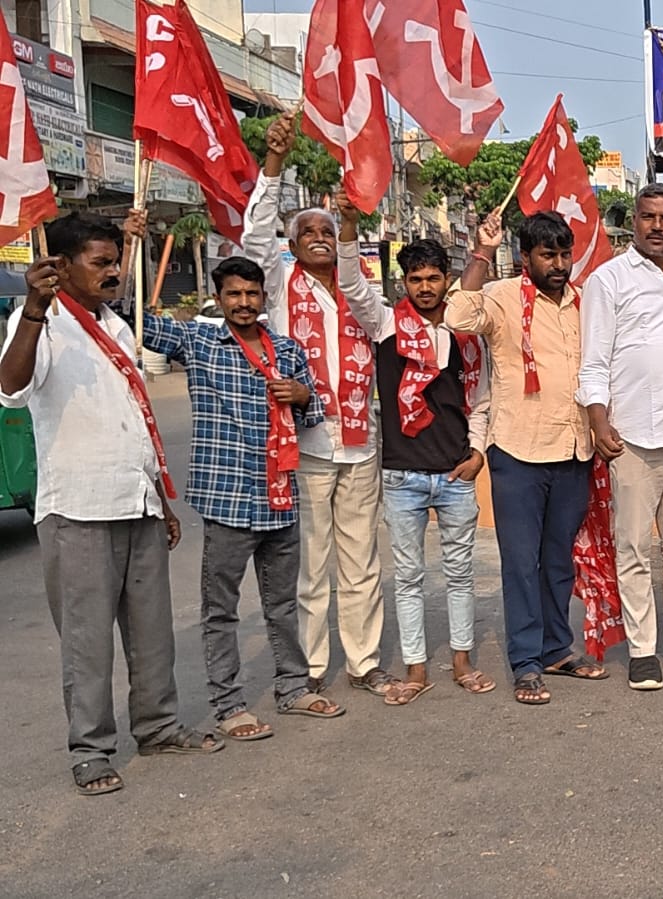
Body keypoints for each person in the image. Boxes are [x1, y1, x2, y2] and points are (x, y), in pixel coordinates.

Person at [1, 212, 222, 796]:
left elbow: (133, 418)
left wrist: (160, 500)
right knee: (87, 640)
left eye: (116, 261)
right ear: (62, 266)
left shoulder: (118, 326)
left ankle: (158, 726)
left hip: (136, 501)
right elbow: (10, 389)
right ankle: (90, 749)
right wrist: (33, 309)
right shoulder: (41, 323)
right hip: (78, 507)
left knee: (153, 634)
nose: (115, 272)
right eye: (100, 262)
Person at [143, 255, 346, 741]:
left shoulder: (287, 350)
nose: (243, 302)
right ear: (218, 298)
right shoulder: (199, 342)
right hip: (228, 499)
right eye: (233, 294)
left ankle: (293, 688)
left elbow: (314, 411)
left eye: (252, 293)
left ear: (264, 297)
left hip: (280, 496)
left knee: (282, 605)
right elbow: (140, 326)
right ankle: (229, 705)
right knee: (221, 610)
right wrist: (135, 254)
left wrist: (301, 396)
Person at [247, 115, 395, 699]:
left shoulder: (362, 296)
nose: (318, 237)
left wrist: (351, 229)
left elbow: (364, 300)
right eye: (307, 231)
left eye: (327, 231)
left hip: (359, 445)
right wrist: (274, 166)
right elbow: (255, 240)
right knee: (311, 565)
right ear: (291, 245)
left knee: (362, 562)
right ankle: (310, 666)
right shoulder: (281, 289)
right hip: (305, 443)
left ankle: (363, 662)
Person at [333, 197, 496, 705]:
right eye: (415, 279)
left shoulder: (465, 334)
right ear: (404, 282)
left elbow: (481, 400)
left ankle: (462, 662)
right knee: (407, 578)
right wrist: (348, 226)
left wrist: (477, 453)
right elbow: (351, 284)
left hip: (455, 474)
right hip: (402, 475)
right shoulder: (385, 325)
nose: (425, 288)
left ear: (447, 279)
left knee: (460, 574)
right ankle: (416, 669)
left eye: (433, 278)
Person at [448, 210, 610, 704]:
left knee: (558, 559)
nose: (559, 265)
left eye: (564, 254)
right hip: (517, 451)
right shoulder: (501, 297)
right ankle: (526, 662)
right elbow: (458, 316)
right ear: (525, 257)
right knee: (521, 562)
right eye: (547, 255)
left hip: (573, 449)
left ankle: (556, 648)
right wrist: (481, 251)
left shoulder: (584, 303)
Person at [578, 183, 663, 691]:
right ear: (633, 221)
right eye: (648, 216)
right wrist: (598, 421)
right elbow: (594, 360)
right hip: (633, 434)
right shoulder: (608, 280)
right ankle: (641, 649)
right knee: (634, 547)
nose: (658, 226)